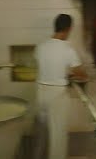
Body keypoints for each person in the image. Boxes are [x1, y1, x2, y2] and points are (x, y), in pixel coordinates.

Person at [33, 14, 88, 159]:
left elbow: (46, 68)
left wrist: (63, 74)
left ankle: (37, 155)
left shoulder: (40, 47)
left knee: (42, 132)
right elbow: (81, 74)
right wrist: (77, 75)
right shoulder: (67, 49)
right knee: (58, 135)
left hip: (40, 92)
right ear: (68, 29)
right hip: (57, 95)